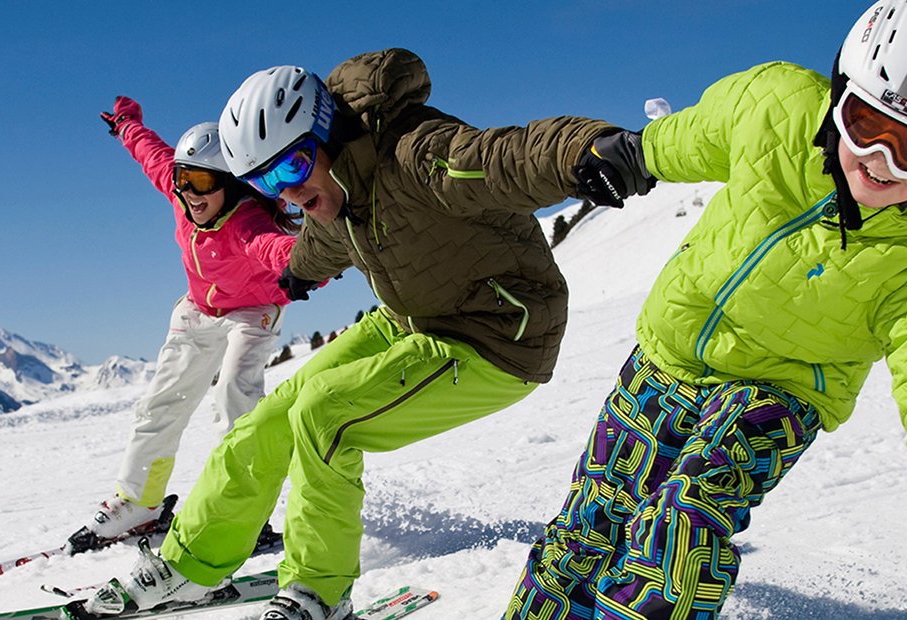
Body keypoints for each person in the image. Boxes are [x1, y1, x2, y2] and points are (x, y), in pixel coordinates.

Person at [505, 1, 907, 619]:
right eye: (865, 124)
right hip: (666, 358)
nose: (877, 162)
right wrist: (637, 155)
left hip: (781, 392)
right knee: (588, 526)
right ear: (840, 94)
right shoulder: (774, 106)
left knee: (684, 522)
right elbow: (695, 133)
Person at [83, 49, 653, 620]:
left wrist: (593, 150)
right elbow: (329, 239)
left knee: (325, 415)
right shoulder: (335, 190)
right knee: (268, 418)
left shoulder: (417, 155)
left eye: (291, 167)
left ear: (325, 132)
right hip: (412, 319)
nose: (285, 192)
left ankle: (320, 594)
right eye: (262, 180)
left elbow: (509, 156)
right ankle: (190, 567)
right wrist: (296, 270)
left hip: (497, 332)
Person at [68, 97, 305, 550]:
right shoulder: (182, 197)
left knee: (236, 401)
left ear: (232, 184)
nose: (190, 192)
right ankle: (140, 504)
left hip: (251, 312)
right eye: (183, 179)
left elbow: (279, 250)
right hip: (198, 310)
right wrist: (126, 124)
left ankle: (246, 513)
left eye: (201, 181)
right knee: (160, 406)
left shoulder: (247, 222)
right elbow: (151, 153)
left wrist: (308, 266)